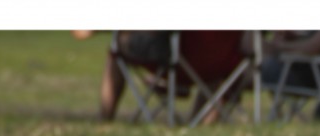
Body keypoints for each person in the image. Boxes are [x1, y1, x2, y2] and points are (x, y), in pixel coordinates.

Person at [74, 30, 247, 124]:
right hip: (225, 63)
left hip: (179, 61)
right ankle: (200, 124)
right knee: (221, 71)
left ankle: (105, 118)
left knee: (117, 48)